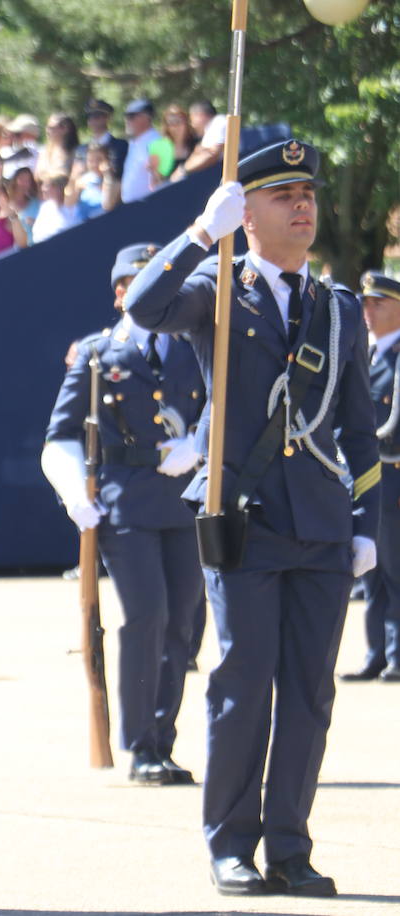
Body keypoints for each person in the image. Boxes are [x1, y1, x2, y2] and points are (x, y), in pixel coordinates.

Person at [125, 139, 379, 898]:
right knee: (243, 683)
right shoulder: (217, 287)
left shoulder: (336, 308)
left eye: (307, 194)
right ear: (249, 212)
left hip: (325, 524)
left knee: (310, 692)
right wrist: (202, 231)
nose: (301, 206)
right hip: (244, 515)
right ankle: (231, 844)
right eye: (281, 196)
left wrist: (365, 519)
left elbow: (360, 424)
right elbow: (145, 306)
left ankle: (291, 846)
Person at [42, 242, 206, 786]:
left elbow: (221, 407)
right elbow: (60, 436)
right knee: (147, 618)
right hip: (123, 502)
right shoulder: (96, 355)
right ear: (122, 294)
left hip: (183, 501)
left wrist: (200, 447)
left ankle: (163, 739)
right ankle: (140, 746)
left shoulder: (192, 349)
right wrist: (72, 491)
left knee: (183, 623)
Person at [340, 268, 400, 682]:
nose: (368, 309)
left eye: (379, 302)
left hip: (394, 478)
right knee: (373, 569)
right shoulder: (368, 353)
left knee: (396, 570)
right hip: (368, 478)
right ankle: (377, 652)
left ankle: (396, 654)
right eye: (365, 302)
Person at [120, 99, 162, 204]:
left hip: (148, 206)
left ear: (146, 117)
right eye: (126, 117)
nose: (127, 121)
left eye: (131, 116)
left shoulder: (157, 142)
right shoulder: (134, 143)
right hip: (132, 207)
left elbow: (160, 181)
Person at [78, 98, 129, 181]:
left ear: (107, 118)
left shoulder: (121, 146)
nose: (92, 120)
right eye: (89, 117)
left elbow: (120, 174)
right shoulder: (81, 150)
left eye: (96, 117)